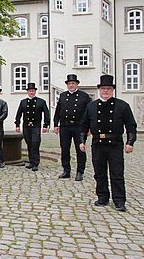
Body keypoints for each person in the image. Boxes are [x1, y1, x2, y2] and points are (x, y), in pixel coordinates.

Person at [79, 75, 137, 212]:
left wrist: (130, 142)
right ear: (99, 89)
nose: (106, 91)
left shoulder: (122, 106)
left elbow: (131, 125)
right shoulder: (91, 106)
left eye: (108, 88)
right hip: (98, 143)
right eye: (103, 88)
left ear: (113, 90)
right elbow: (84, 125)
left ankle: (119, 200)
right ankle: (102, 197)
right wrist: (82, 141)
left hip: (115, 143)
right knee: (99, 172)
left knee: (117, 173)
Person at [53, 74, 91, 181]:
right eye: (69, 83)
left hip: (79, 126)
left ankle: (80, 171)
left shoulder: (84, 96)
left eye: (73, 83)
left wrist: (89, 127)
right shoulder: (63, 95)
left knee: (80, 149)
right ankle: (66, 170)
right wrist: (56, 124)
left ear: (77, 84)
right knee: (65, 149)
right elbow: (58, 110)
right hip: (65, 126)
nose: (71, 85)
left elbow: (89, 113)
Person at [15, 83, 50, 171]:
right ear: (27, 92)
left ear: (35, 91)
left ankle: (35, 163)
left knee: (35, 143)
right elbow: (18, 114)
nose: (31, 92)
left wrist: (46, 125)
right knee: (29, 143)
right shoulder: (23, 102)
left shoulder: (41, 101)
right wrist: (17, 125)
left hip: (36, 126)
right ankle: (31, 161)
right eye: (30, 91)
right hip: (26, 126)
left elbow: (46, 114)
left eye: (33, 91)